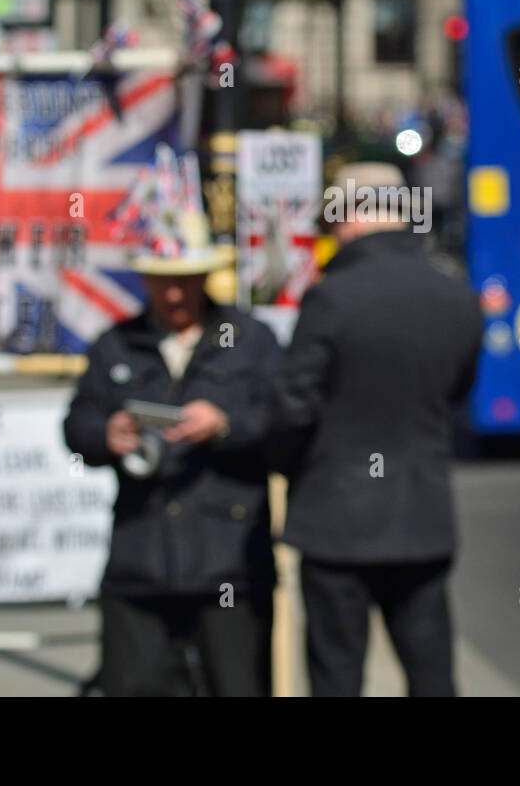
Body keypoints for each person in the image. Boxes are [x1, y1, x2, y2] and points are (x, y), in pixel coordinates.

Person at [64, 149, 281, 696]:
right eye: (164, 281)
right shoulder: (117, 343)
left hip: (229, 564)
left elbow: (285, 423)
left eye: (187, 279)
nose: (176, 293)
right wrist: (106, 434)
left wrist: (226, 424)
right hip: (141, 561)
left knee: (237, 684)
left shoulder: (251, 340)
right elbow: (77, 425)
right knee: (132, 684)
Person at [272, 162, 483, 696]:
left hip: (335, 522)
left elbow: (292, 409)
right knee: (432, 673)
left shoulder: (331, 298)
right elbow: (457, 393)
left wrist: (279, 459)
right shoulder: (456, 295)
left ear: (348, 218)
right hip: (422, 518)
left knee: (337, 675)